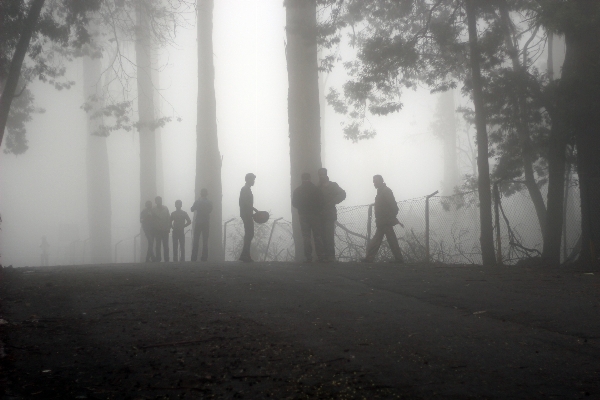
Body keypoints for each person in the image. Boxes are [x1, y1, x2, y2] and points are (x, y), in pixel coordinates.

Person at [362, 175, 404, 263]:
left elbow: (394, 207)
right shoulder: (381, 192)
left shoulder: (386, 191)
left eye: (376, 181)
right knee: (388, 240)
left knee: (379, 240)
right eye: (373, 181)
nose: (374, 183)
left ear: (381, 181)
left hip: (385, 222)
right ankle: (399, 259)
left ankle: (369, 258)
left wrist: (389, 218)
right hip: (382, 221)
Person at [292, 172, 325, 262]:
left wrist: (302, 208)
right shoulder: (316, 189)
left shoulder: (297, 190)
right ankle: (320, 256)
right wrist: (318, 210)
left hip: (303, 215)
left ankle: (308, 257)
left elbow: (294, 203)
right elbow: (322, 202)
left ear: (301, 179)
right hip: (315, 215)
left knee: (306, 236)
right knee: (317, 236)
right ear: (310, 178)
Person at [318, 168, 346, 262]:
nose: (321, 176)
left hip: (330, 214)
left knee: (329, 236)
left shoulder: (333, 185)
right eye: (320, 174)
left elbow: (342, 194)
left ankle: (331, 256)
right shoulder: (317, 187)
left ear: (326, 175)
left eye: (323, 174)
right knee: (322, 236)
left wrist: (333, 201)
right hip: (320, 215)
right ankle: (324, 257)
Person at [239, 173, 259, 262]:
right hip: (246, 214)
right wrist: (254, 209)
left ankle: (244, 254)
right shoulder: (245, 189)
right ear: (248, 180)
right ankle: (245, 255)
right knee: (249, 233)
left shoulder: (247, 189)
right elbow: (244, 202)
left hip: (247, 214)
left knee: (249, 234)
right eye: (252, 179)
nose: (254, 181)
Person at [190, 188, 213, 262]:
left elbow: (192, 209)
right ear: (207, 194)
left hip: (199, 222)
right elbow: (210, 210)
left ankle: (194, 257)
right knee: (205, 240)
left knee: (196, 240)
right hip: (206, 222)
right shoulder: (209, 202)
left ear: (200, 193)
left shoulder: (197, 201)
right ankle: (204, 257)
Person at [153, 196, 171, 262]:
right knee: (158, 245)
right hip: (157, 230)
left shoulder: (166, 208)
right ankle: (158, 258)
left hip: (165, 229)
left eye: (160, 200)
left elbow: (168, 218)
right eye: (157, 200)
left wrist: (169, 227)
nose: (159, 201)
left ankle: (166, 258)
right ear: (155, 201)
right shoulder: (153, 209)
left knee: (165, 245)